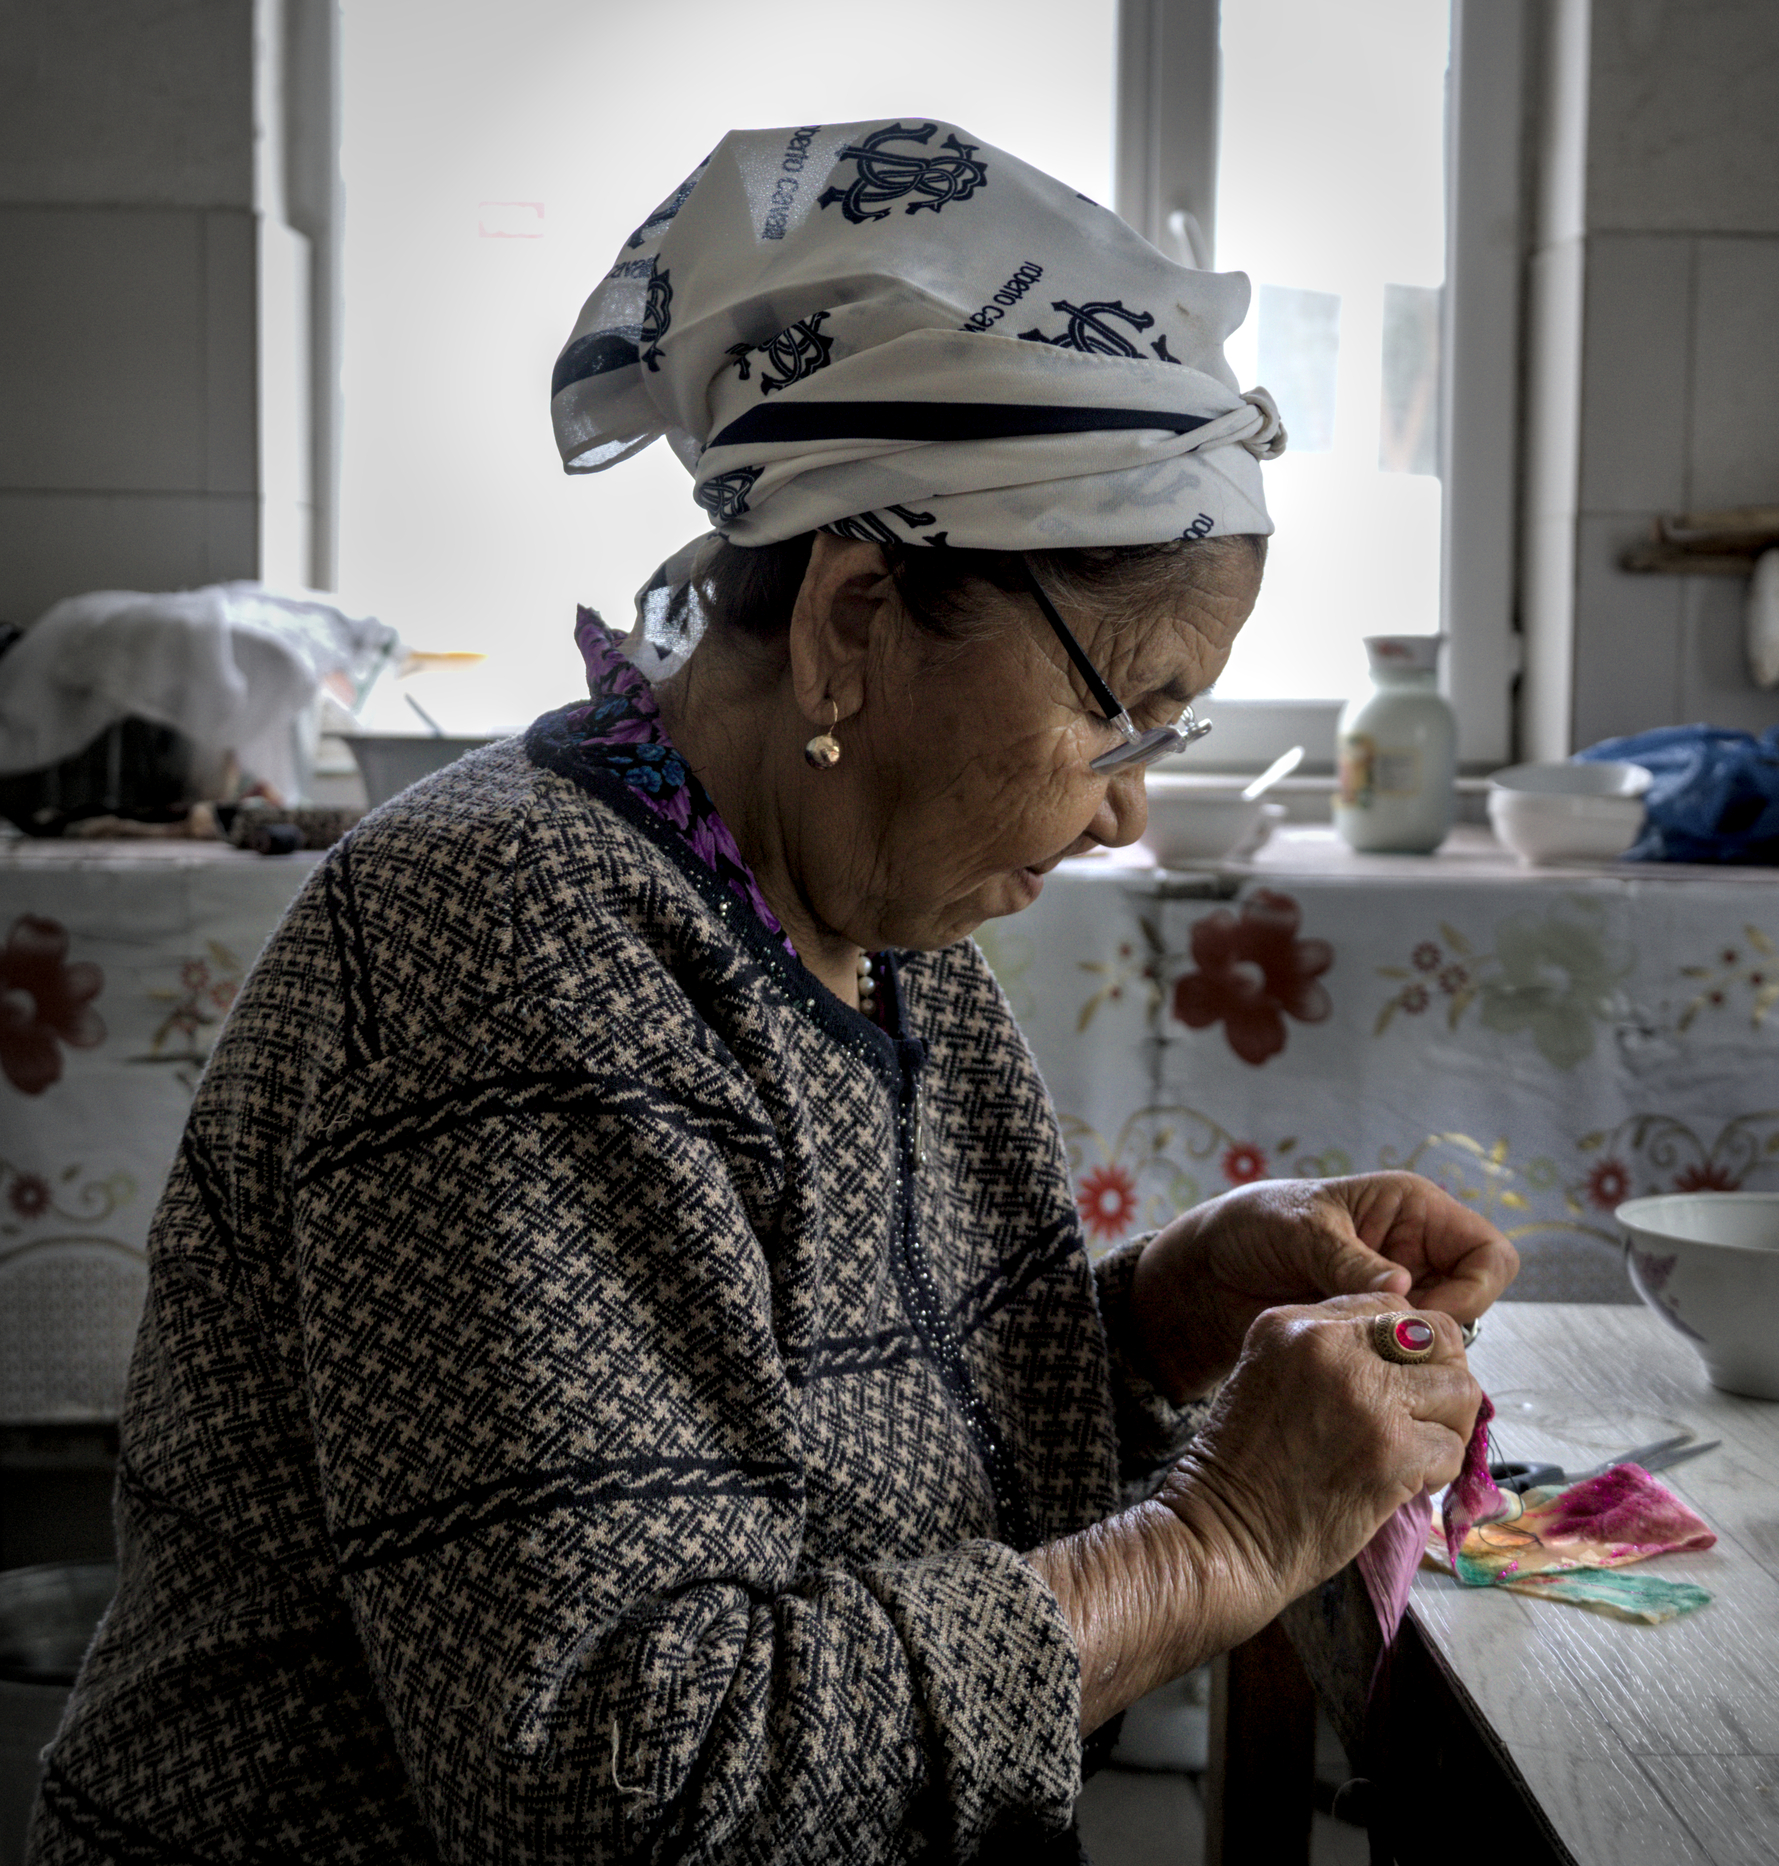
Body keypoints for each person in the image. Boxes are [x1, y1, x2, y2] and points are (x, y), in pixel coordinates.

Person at [28, 121, 1514, 1865]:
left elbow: (814, 1444)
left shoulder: (871, 929)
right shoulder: (519, 946)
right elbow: (621, 1785)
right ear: (853, 616)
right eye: (1120, 711)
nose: (1127, 810)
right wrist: (1217, 1538)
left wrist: (1163, 1316)